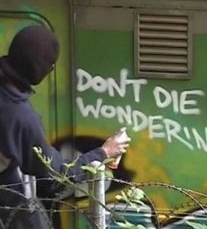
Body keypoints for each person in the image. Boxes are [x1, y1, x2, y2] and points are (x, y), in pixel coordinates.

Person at [0, 25, 129, 229]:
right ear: (41, 70)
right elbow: (55, 176)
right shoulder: (21, 118)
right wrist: (103, 152)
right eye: (51, 66)